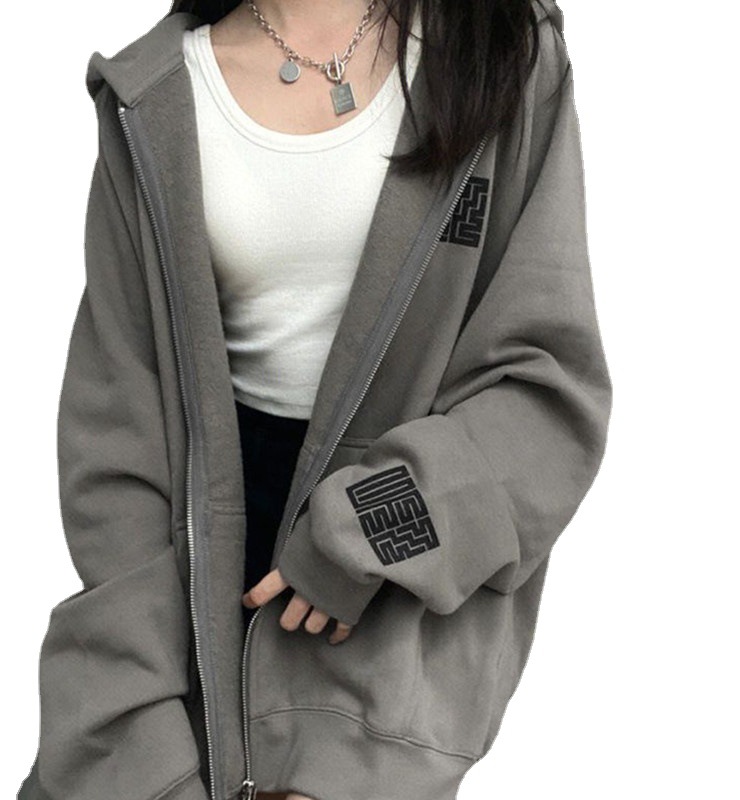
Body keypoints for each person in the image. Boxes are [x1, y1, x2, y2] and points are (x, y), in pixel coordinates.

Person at [17, 1, 613, 799]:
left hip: (388, 600)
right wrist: (146, 747)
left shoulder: (499, 48)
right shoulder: (153, 94)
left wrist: (368, 534)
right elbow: (116, 449)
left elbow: (547, 397)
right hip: (186, 584)